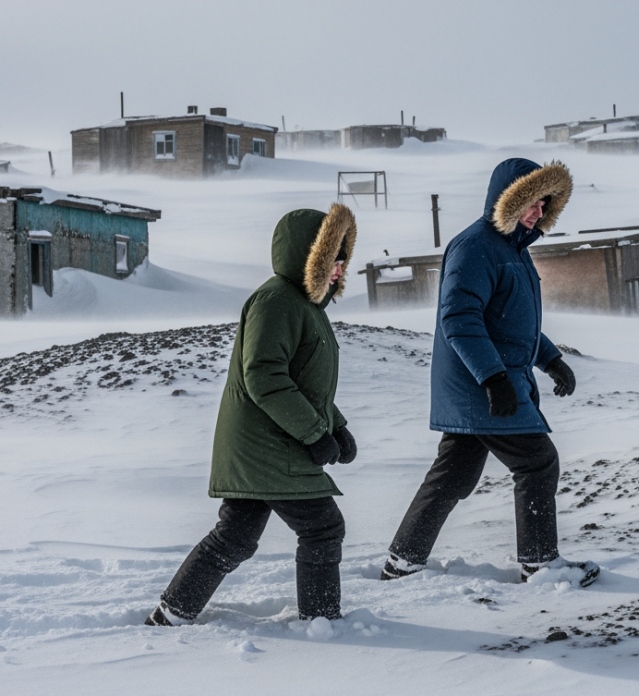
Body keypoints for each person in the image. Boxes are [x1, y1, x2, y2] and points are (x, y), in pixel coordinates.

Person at [380, 158, 598, 586]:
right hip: (479, 383)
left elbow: (511, 320)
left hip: (486, 382)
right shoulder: (475, 246)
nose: (537, 213)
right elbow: (460, 318)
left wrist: (550, 359)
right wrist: (493, 379)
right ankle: (538, 563)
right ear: (507, 200)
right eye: (530, 203)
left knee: (453, 476)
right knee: (538, 463)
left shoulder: (511, 250)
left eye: (543, 205)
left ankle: (402, 562)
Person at [146, 204, 358, 626]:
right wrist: (316, 433)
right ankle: (323, 622)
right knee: (322, 527)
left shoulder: (305, 306)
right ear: (308, 257)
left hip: (269, 439)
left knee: (236, 536)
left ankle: (171, 613)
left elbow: (303, 382)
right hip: (266, 442)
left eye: (343, 259)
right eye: (331, 258)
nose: (339, 269)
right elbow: (264, 377)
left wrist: (336, 425)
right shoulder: (276, 301)